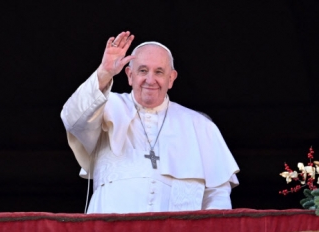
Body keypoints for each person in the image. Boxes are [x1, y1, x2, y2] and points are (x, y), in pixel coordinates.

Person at [61, 31, 239, 214]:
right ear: (130, 75)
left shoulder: (200, 126)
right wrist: (104, 73)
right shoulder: (105, 106)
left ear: (171, 78)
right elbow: (73, 118)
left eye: (159, 72)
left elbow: (217, 195)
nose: (150, 80)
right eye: (143, 71)